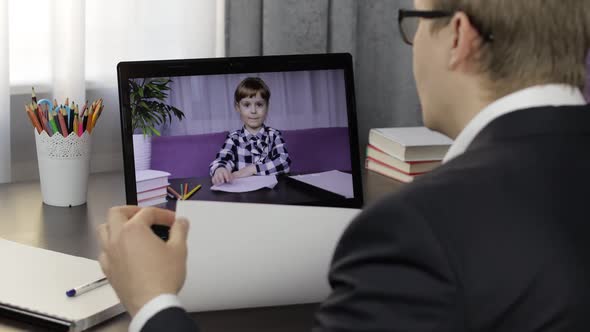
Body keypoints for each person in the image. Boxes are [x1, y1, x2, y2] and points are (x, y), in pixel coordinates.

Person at [97, 0, 590, 331]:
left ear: (458, 36)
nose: (414, 42)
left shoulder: (414, 230)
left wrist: (153, 301)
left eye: (415, 23)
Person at [209, 77, 291, 185]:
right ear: (238, 107)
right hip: (242, 196)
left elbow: (284, 162)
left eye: (259, 105)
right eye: (247, 105)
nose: (253, 111)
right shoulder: (234, 138)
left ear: (267, 107)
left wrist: (252, 169)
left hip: (271, 195)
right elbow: (222, 159)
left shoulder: (274, 135)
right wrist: (220, 170)